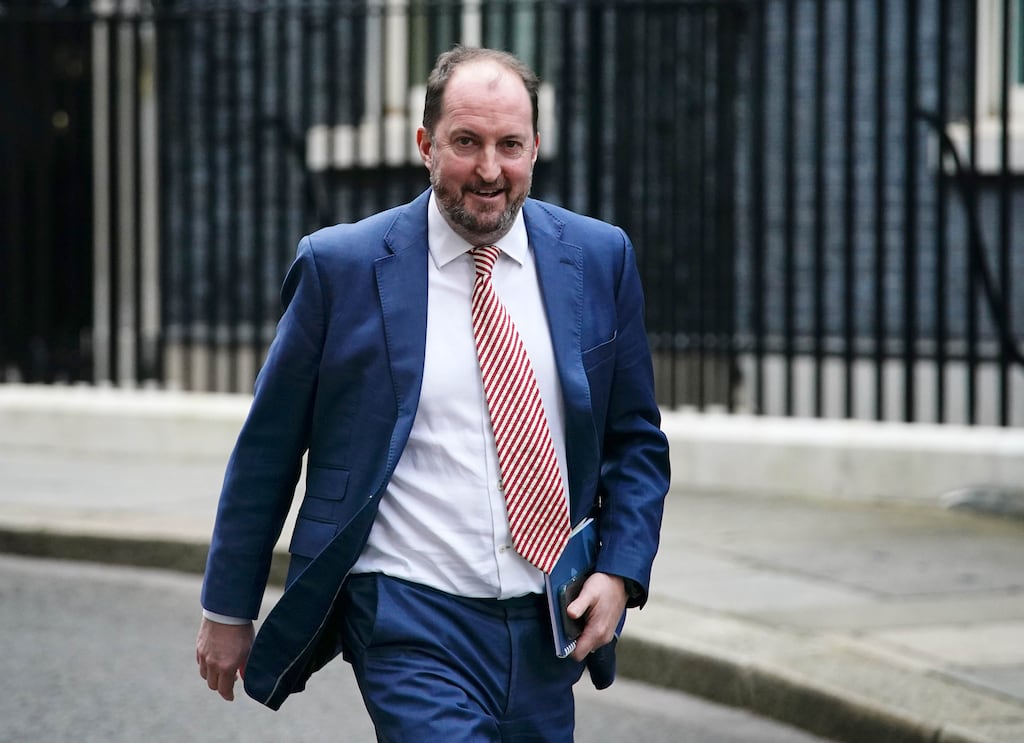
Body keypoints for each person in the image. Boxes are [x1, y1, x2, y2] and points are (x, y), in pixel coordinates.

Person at [195, 45, 670, 741]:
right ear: (424, 144)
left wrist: (621, 571)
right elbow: (268, 449)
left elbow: (636, 442)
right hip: (407, 615)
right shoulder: (342, 268)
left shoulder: (599, 258)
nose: (488, 170)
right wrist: (228, 606)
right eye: (465, 143)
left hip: (547, 620)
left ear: (536, 146)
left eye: (510, 145)